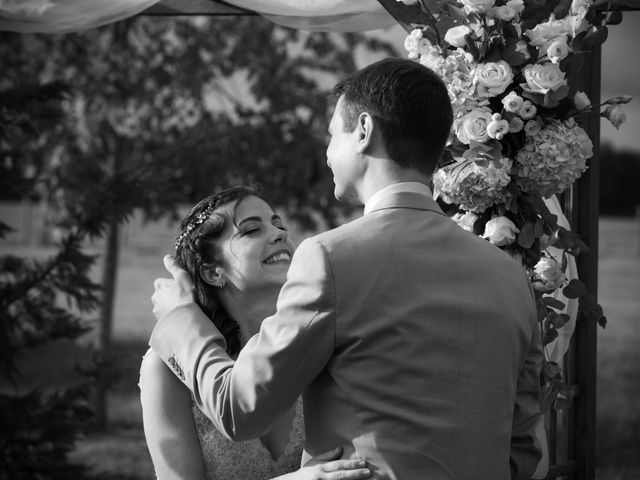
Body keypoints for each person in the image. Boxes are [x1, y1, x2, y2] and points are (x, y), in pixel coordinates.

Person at [150, 58, 543, 479]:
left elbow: (239, 410)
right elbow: (527, 455)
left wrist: (181, 317)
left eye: (332, 134)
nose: (326, 151)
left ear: (363, 131)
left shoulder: (329, 258)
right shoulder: (509, 275)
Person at [140, 186, 372, 480]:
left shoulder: (315, 342)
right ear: (213, 272)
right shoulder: (165, 371)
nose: (280, 234)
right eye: (251, 230)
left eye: (279, 225)